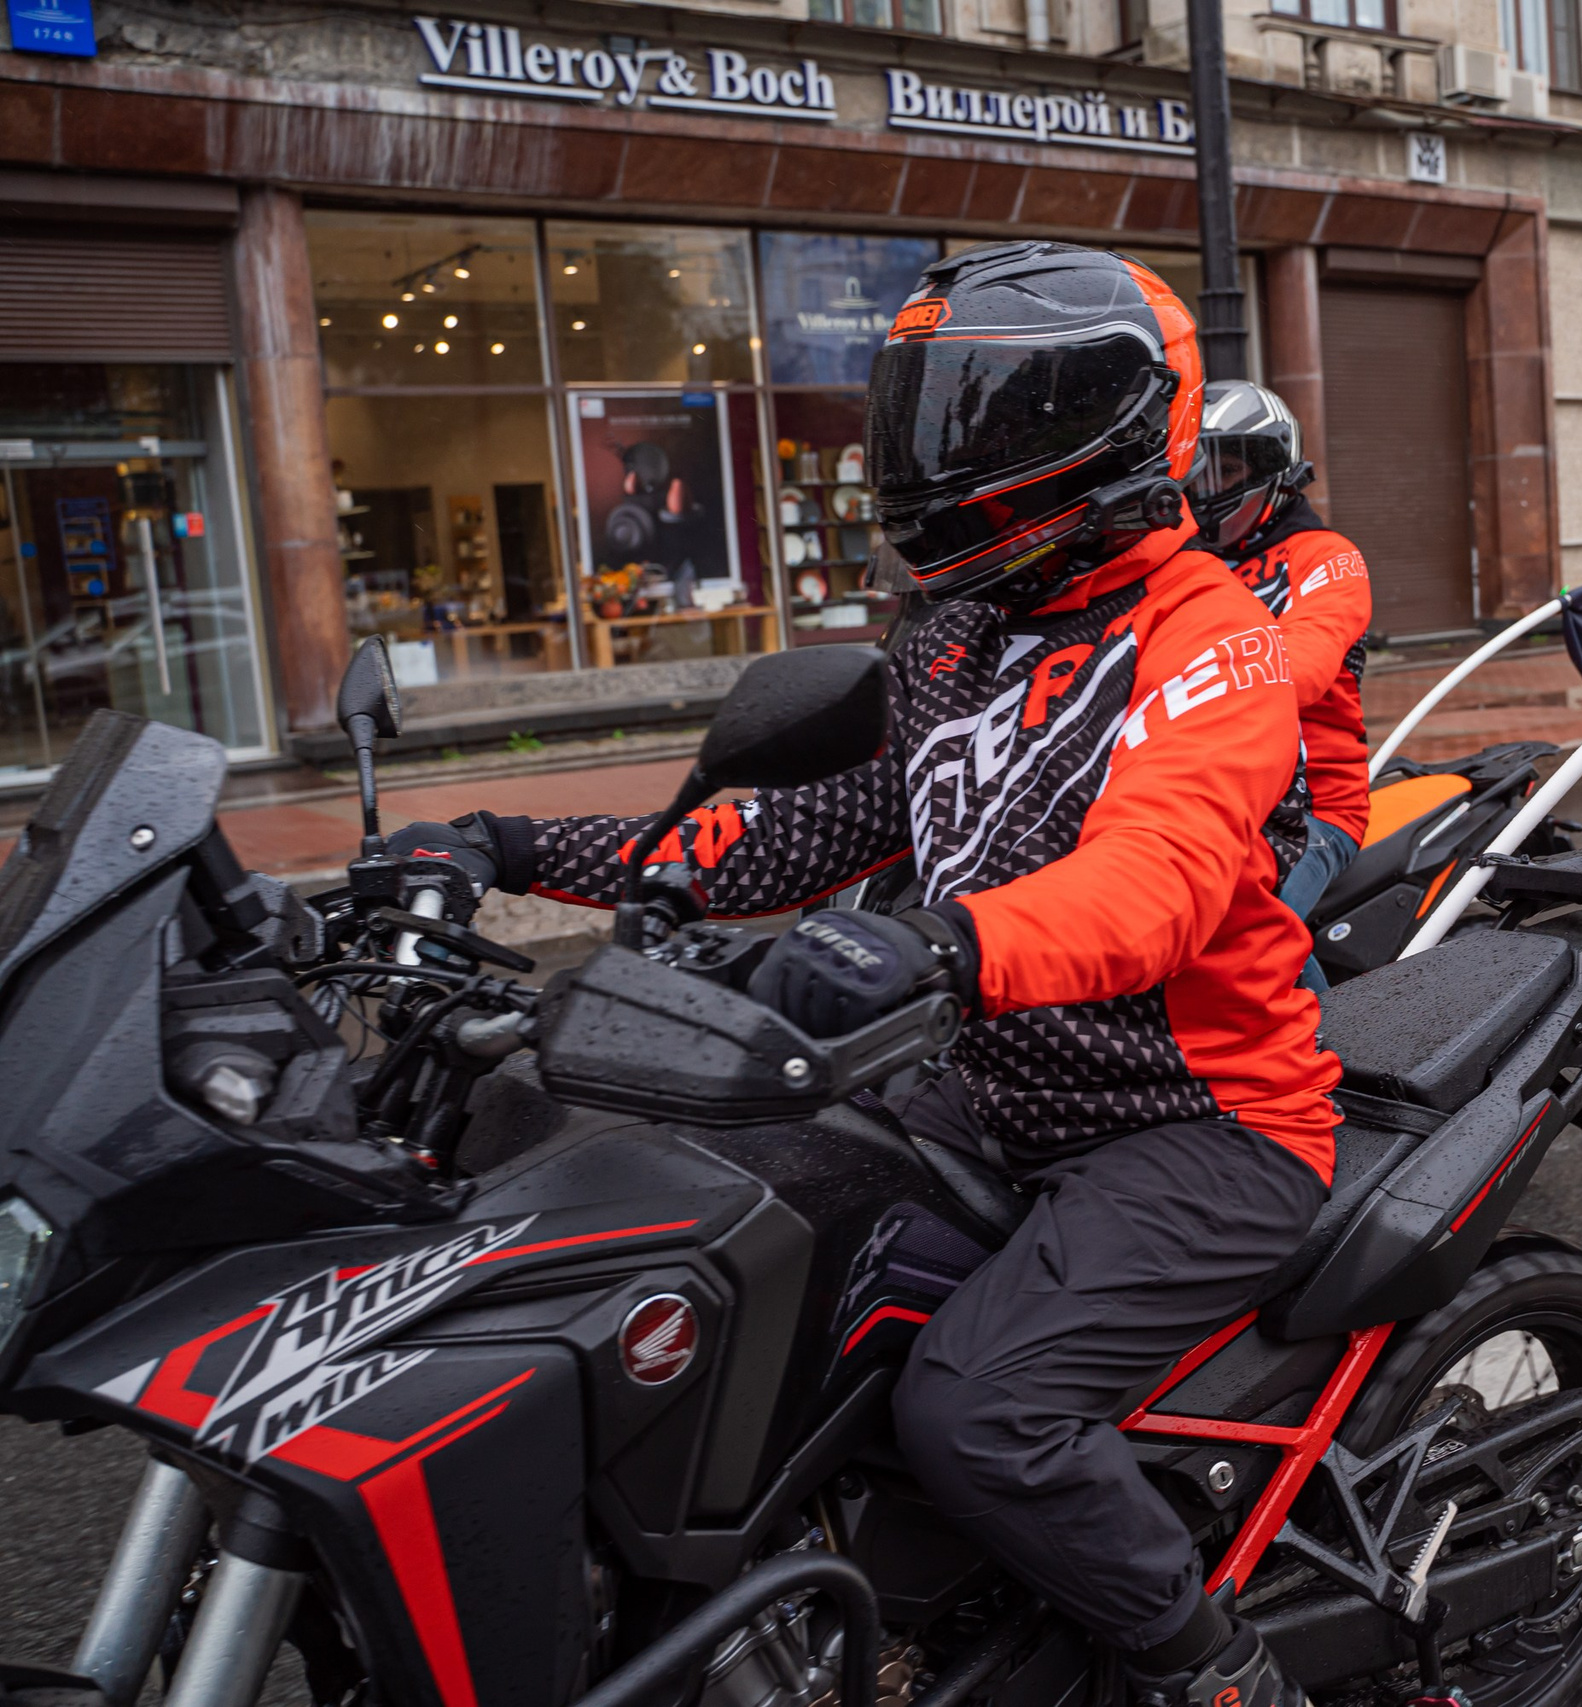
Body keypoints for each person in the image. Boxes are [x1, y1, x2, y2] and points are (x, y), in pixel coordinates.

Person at [388, 243, 1331, 1707]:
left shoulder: (1210, 637)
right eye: (921, 417)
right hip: (989, 1080)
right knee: (721, 1233)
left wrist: (944, 940)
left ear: (1099, 430)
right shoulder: (959, 632)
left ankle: (1213, 1664)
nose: (930, 460)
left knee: (980, 1408)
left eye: (976, 422)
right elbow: (799, 831)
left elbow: (1158, 881)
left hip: (1199, 1120)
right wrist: (504, 844)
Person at [1185, 381, 1372, 989]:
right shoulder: (1184, 567)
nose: (1206, 491)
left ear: (1274, 475)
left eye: (1228, 469)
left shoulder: (1325, 556)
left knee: (1236, 929)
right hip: (1204, 799)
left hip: (1312, 808)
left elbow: (1303, 667)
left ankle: (1328, 1070)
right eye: (1194, 472)